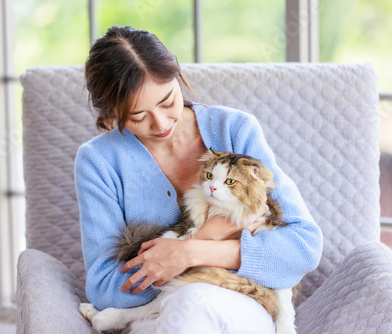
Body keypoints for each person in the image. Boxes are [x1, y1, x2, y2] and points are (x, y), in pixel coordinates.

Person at [75, 25, 323, 333]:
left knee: (194, 302)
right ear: (112, 114)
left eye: (168, 101)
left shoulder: (234, 129)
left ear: (178, 75)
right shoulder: (98, 161)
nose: (162, 122)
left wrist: (190, 252)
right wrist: (209, 235)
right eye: (138, 117)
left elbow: (303, 247)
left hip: (239, 305)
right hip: (152, 317)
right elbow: (102, 288)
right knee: (185, 304)